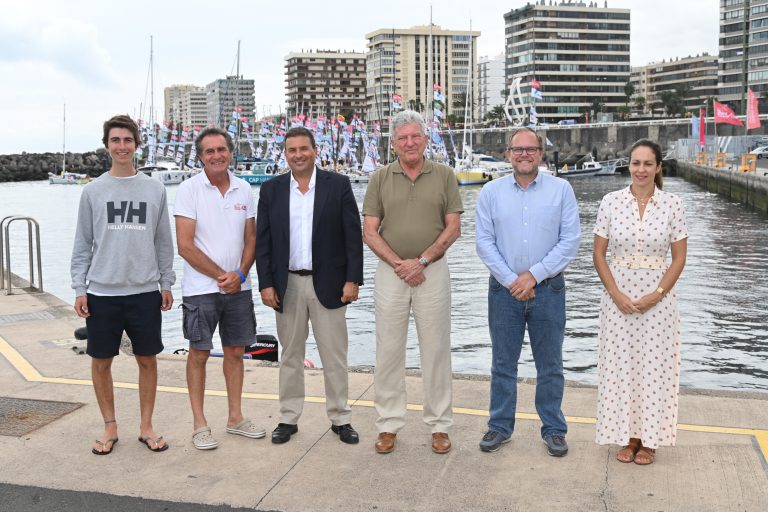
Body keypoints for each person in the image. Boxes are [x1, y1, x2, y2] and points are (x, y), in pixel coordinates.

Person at [71, 114, 175, 455]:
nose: (122, 146)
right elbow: (83, 244)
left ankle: (146, 426)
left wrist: (166, 282)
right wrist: (79, 288)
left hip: (145, 292)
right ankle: (110, 426)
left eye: (127, 140)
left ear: (136, 145)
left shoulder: (155, 188)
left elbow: (163, 242)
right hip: (102, 293)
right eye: (115, 140)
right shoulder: (93, 191)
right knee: (101, 361)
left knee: (147, 360)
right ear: (107, 146)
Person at [475, 127, 580, 456]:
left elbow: (570, 242)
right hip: (503, 292)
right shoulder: (490, 192)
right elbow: (484, 243)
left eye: (530, 149)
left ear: (541, 154)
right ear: (508, 153)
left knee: (550, 364)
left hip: (548, 290)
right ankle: (500, 425)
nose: (524, 154)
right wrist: (512, 280)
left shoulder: (561, 190)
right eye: (517, 149)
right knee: (503, 363)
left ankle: (553, 428)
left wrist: (532, 276)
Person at [362, 110, 463, 455]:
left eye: (415, 137)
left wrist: (421, 261)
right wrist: (399, 264)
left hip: (432, 271)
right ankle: (388, 424)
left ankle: (439, 426)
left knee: (435, 350)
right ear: (393, 143)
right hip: (391, 272)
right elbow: (370, 232)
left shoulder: (445, 175)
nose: (409, 143)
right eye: (402, 138)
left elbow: (453, 227)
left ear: (425, 139)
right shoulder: (379, 178)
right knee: (388, 351)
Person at [256, 126, 364, 445]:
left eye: (304, 148)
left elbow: (352, 238)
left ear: (315, 150)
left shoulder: (338, 185)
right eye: (292, 150)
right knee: (290, 354)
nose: (298, 155)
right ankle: (288, 418)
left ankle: (340, 418)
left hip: (329, 284)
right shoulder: (272, 190)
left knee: (334, 355)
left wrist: (352, 280)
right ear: (285, 154)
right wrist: (265, 284)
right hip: (286, 284)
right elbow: (263, 242)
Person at [593, 139, 688, 465]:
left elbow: (678, 258)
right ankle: (628, 436)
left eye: (648, 164)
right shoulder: (610, 202)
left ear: (658, 167)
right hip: (617, 300)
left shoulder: (673, 204)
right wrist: (615, 294)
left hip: (658, 303)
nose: (641, 170)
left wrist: (657, 294)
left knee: (654, 369)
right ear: (628, 165)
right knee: (622, 369)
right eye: (636, 163)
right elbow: (598, 254)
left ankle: (650, 439)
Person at [175, 127, 265, 450]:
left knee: (236, 352)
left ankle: (235, 417)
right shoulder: (188, 190)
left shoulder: (244, 189)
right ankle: (200, 424)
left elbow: (251, 238)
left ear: (230, 152)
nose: (216, 155)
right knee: (198, 353)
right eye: (209, 151)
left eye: (221, 149)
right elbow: (184, 245)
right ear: (200, 156)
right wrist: (220, 275)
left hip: (238, 289)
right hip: (201, 288)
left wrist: (239, 275)